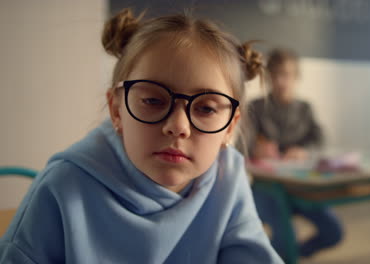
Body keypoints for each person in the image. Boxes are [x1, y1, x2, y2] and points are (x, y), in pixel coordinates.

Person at [0, 9, 283, 264]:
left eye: (206, 108)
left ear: (230, 127)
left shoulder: (228, 177)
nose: (178, 126)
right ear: (117, 110)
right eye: (153, 101)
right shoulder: (62, 186)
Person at [248, 48, 343, 259]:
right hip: (266, 187)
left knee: (334, 231)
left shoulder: (305, 109)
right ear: (268, 76)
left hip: (300, 186)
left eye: (287, 74)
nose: (281, 80)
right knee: (287, 235)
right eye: (275, 74)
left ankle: (290, 256)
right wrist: (255, 148)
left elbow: (319, 140)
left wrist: (303, 151)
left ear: (296, 77)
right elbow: (241, 144)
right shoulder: (255, 107)